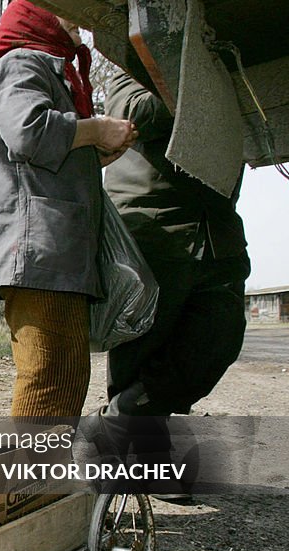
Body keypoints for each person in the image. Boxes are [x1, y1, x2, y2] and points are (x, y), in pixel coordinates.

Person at [0, 0, 137, 418]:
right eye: (72, 17)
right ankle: (11, 485)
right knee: (49, 381)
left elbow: (41, 156)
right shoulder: (22, 61)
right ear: (42, 18)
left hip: (51, 252)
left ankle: (41, 483)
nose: (82, 26)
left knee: (64, 378)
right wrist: (96, 128)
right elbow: (27, 131)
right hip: (36, 251)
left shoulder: (50, 72)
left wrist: (96, 152)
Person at [85, 72, 250, 501]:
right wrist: (204, 93)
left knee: (220, 336)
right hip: (153, 223)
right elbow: (131, 113)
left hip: (216, 225)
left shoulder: (222, 59)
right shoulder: (135, 60)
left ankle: (118, 421)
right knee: (142, 348)